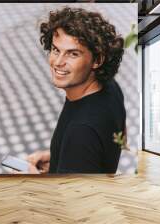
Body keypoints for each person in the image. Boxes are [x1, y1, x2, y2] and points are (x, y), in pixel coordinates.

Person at [26, 7, 126, 174]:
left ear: (97, 60)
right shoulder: (111, 86)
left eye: (72, 54)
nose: (58, 62)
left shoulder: (81, 132)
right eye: (56, 49)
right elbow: (115, 141)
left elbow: (70, 199)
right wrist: (58, 158)